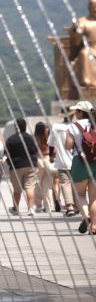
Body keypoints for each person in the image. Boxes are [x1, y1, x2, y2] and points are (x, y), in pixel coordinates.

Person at [64, 101, 96, 235]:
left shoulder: (73, 126)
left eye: (76, 111)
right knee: (94, 197)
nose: (75, 113)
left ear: (81, 112)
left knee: (80, 195)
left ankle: (87, 216)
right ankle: (94, 226)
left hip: (80, 162)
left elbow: (68, 146)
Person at [5, 118, 38, 217]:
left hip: (16, 166)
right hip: (30, 165)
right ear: (25, 126)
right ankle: (31, 209)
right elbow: (35, 151)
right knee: (30, 187)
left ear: (15, 127)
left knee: (17, 189)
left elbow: (6, 153)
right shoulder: (30, 138)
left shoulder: (11, 139)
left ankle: (16, 208)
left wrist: (9, 163)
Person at [48, 109, 77, 216]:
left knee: (65, 183)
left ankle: (69, 206)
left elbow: (51, 144)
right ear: (73, 115)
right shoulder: (75, 126)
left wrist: (51, 156)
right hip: (75, 160)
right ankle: (77, 205)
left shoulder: (56, 127)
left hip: (61, 160)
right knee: (75, 183)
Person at [68, 0, 96, 87]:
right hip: (90, 48)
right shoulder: (83, 21)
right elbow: (76, 41)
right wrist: (78, 31)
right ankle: (87, 82)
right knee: (84, 53)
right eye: (93, 7)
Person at [34, 122, 56, 213]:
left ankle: (38, 205)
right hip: (48, 159)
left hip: (38, 160)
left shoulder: (35, 138)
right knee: (47, 186)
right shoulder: (49, 136)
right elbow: (54, 150)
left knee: (36, 183)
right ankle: (48, 207)